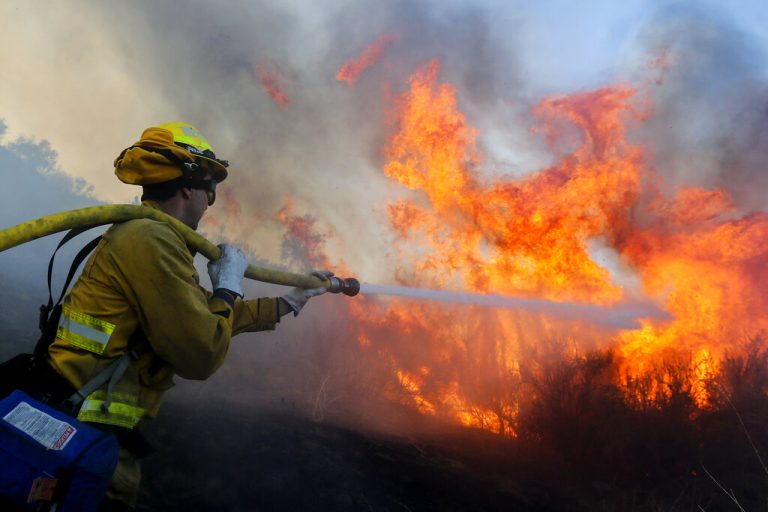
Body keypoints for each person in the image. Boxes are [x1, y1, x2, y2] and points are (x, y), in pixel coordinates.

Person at [30, 122, 329, 511]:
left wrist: (288, 303)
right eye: (211, 190)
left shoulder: (155, 237)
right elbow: (201, 351)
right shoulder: (151, 240)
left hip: (82, 426)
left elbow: (198, 310)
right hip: (82, 436)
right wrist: (228, 287)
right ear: (189, 186)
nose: (210, 201)